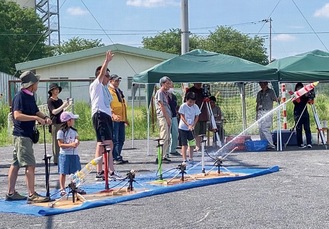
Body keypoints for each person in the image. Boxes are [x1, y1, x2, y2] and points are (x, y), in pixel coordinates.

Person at [6, 70, 52, 204]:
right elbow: (17, 115)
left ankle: (11, 192)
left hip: (25, 136)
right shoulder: (20, 96)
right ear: (32, 84)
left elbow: (36, 110)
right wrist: (35, 118)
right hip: (22, 136)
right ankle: (32, 194)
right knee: (30, 164)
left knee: (15, 164)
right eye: (36, 82)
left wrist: (45, 117)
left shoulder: (30, 96)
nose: (38, 84)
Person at [89, 50, 119, 181]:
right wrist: (106, 61)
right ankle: (103, 171)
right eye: (107, 75)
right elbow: (101, 75)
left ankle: (107, 171)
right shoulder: (96, 85)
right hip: (99, 115)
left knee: (106, 144)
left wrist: (112, 114)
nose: (108, 78)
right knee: (104, 144)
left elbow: (107, 104)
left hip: (105, 115)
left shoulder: (106, 89)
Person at [57, 111, 86, 196]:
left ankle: (74, 186)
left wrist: (76, 142)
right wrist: (71, 144)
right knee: (63, 172)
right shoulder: (60, 132)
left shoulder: (74, 131)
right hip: (64, 155)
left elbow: (77, 139)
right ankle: (62, 188)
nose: (73, 121)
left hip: (74, 154)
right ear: (68, 121)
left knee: (75, 172)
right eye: (72, 119)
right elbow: (60, 144)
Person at [108, 74, 129, 164]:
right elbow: (107, 104)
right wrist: (112, 114)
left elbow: (123, 104)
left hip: (121, 118)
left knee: (121, 139)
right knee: (115, 139)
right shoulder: (108, 91)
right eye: (116, 81)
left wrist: (125, 119)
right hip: (114, 118)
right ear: (111, 80)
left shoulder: (119, 91)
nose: (117, 82)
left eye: (118, 81)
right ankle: (114, 156)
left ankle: (118, 155)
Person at [47, 83, 70, 165]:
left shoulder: (59, 100)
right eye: (55, 89)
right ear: (51, 91)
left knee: (63, 140)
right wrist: (63, 106)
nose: (57, 91)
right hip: (55, 123)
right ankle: (56, 159)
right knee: (55, 142)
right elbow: (54, 111)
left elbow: (61, 111)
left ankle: (62, 157)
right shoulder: (50, 100)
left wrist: (66, 106)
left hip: (62, 122)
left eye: (57, 89)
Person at [178, 91, 201, 164]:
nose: (191, 103)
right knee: (184, 144)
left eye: (193, 102)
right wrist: (188, 125)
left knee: (191, 143)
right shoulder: (183, 106)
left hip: (191, 128)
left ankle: (191, 158)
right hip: (183, 128)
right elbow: (182, 116)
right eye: (190, 101)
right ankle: (184, 159)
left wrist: (193, 125)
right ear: (186, 100)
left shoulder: (196, 106)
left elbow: (197, 116)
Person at [154, 76, 172, 163]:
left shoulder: (166, 93)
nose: (169, 85)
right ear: (163, 83)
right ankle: (160, 156)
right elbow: (162, 106)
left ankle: (164, 155)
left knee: (168, 137)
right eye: (167, 83)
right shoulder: (160, 92)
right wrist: (167, 118)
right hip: (163, 116)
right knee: (164, 136)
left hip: (168, 115)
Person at [185, 83, 209, 152]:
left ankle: (199, 146)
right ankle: (193, 146)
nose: (199, 84)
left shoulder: (203, 91)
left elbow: (208, 101)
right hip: (194, 115)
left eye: (200, 83)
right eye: (197, 83)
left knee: (202, 131)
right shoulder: (190, 91)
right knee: (195, 131)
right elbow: (186, 102)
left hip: (203, 114)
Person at [256, 81, 279, 150]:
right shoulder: (259, 93)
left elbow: (276, 99)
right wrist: (256, 114)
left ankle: (270, 144)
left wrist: (279, 97)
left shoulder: (271, 92)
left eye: (262, 84)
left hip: (267, 111)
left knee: (265, 128)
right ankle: (264, 143)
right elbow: (257, 104)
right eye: (260, 84)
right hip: (260, 111)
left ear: (266, 84)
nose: (261, 85)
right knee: (260, 129)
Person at [293, 82, 312, 148]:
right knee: (299, 129)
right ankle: (300, 143)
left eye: (301, 88)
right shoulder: (295, 95)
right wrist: (298, 95)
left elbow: (310, 102)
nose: (300, 89)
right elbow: (296, 101)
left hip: (305, 113)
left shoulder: (305, 95)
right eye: (298, 88)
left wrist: (309, 96)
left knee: (307, 128)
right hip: (297, 114)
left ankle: (309, 143)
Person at [167, 82, 180, 156]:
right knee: (167, 135)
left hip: (174, 116)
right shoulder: (164, 95)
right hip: (167, 116)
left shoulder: (174, 97)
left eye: (172, 86)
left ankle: (173, 149)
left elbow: (175, 106)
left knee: (175, 134)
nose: (172, 87)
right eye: (170, 86)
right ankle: (166, 151)